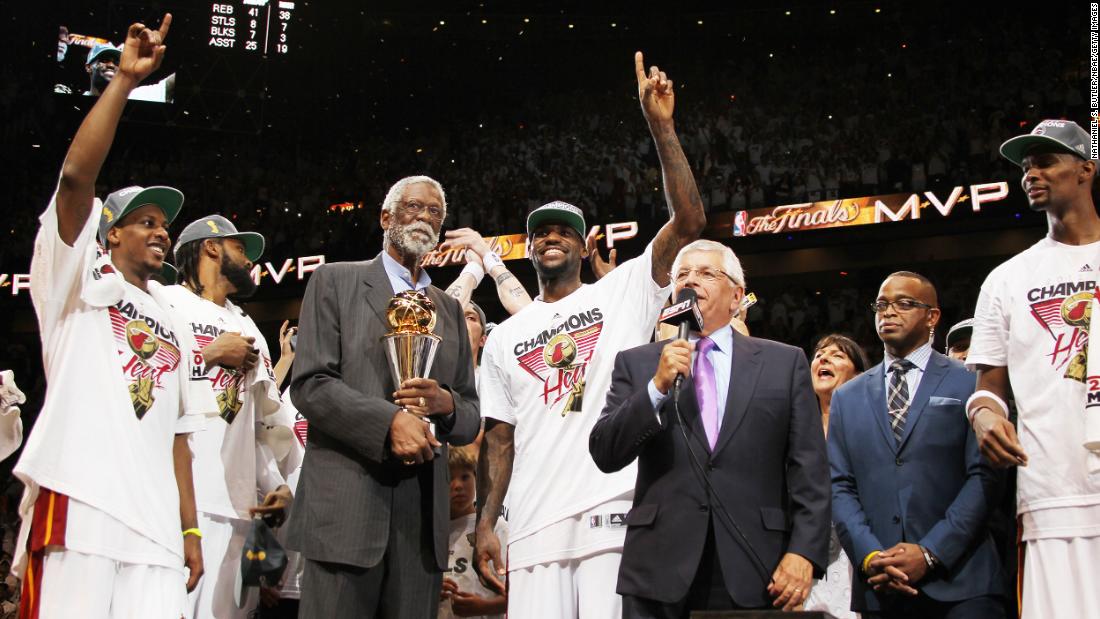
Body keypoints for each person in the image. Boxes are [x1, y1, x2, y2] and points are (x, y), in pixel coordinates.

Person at [475, 51, 706, 618]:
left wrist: (662, 128)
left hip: (612, 506)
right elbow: (499, 440)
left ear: (584, 246)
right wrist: (487, 520)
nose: (550, 239)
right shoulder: (505, 337)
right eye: (540, 234)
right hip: (530, 522)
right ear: (528, 249)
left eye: (564, 232)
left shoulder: (621, 290)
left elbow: (690, 223)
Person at [13, 14, 211, 617]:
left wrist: (191, 529)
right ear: (110, 231)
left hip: (154, 527)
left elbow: (180, 434)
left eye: (164, 223)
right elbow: (76, 177)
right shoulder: (76, 274)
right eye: (145, 221)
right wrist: (122, 81)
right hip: (81, 504)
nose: (161, 231)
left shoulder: (173, 315)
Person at [589, 240, 830, 617]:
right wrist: (656, 388)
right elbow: (605, 451)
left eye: (705, 273)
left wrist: (804, 552)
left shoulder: (785, 363)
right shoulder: (638, 364)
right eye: (682, 275)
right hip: (658, 570)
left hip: (754, 566)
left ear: (736, 297)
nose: (690, 281)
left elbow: (810, 472)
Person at [288, 174, 481, 618]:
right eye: (414, 207)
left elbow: (470, 414)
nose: (425, 217)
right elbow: (310, 384)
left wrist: (446, 403)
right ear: (386, 217)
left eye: (435, 212)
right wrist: (389, 422)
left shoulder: (449, 309)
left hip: (420, 529)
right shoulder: (334, 282)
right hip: (346, 515)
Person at [968, 119, 1100, 617]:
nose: (1031, 174)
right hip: (1052, 491)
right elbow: (988, 388)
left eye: (1046, 161)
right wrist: (983, 415)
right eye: (1026, 166)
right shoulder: (1007, 279)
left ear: (1086, 169)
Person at [830, 272, 1005, 618]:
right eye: (881, 304)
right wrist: (871, 556)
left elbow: (985, 476)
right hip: (881, 585)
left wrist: (930, 552)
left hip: (963, 583)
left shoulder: (970, 382)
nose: (889, 312)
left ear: (932, 316)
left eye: (904, 303)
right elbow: (840, 487)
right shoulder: (847, 397)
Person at [160, 214, 294, 619]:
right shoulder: (164, 302)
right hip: (180, 502)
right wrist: (208, 356)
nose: (250, 260)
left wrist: (276, 483)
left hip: (238, 508)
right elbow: (144, 388)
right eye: (240, 249)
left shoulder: (246, 321)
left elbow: (258, 423)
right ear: (211, 247)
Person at [804, 334, 868, 619]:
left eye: (838, 355)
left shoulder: (871, 428)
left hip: (856, 553)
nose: (824, 358)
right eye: (819, 354)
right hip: (807, 556)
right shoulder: (796, 428)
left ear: (859, 375)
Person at [439, 446, 507, 619]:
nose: (458, 486)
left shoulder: (494, 528)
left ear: (476, 479)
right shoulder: (432, 532)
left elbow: (520, 592)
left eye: (465, 477)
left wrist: (484, 607)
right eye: (449, 479)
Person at [84, 41, 175, 102]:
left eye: (117, 63)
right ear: (88, 67)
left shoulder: (131, 97)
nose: (111, 65)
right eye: (104, 60)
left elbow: (167, 86)